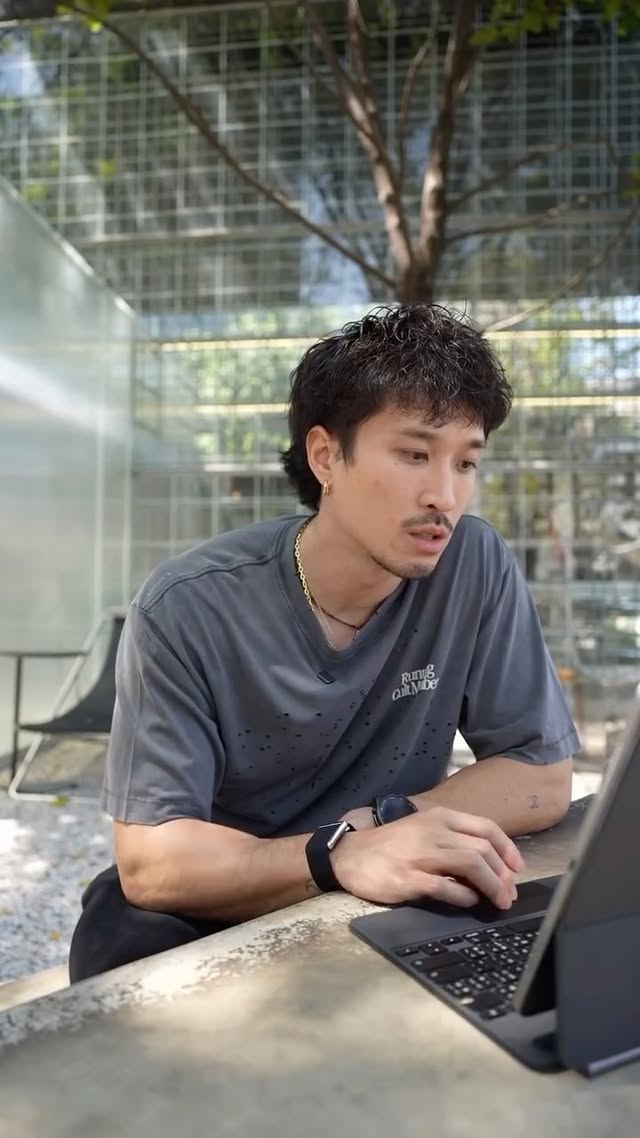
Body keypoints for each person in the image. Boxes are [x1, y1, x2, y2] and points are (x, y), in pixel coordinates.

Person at [69, 304, 578, 982]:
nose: (445, 495)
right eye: (415, 454)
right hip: (234, 886)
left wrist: (387, 827)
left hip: (388, 876)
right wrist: (337, 853)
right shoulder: (189, 606)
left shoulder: (472, 564)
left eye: (466, 462)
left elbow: (542, 776)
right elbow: (153, 863)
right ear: (326, 456)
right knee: (121, 943)